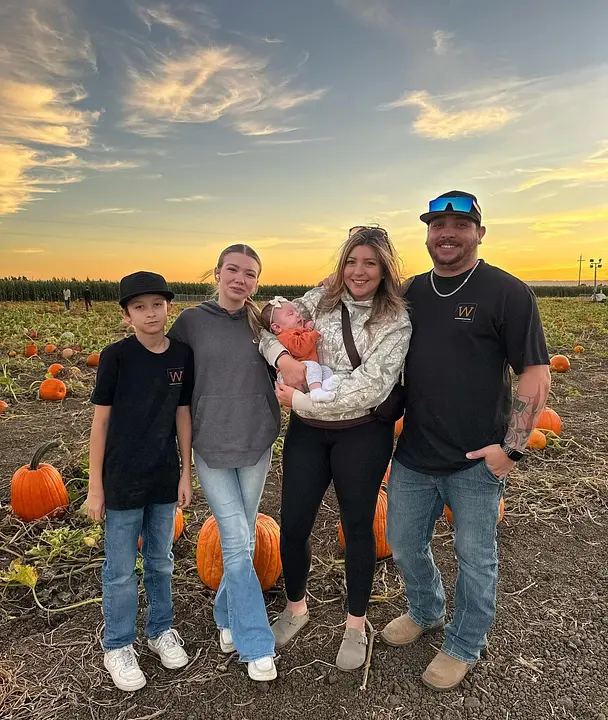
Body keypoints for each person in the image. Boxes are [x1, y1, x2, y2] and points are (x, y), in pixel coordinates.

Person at [381, 191, 551, 691]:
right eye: (438, 225)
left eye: (460, 224)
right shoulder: (410, 292)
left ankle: (464, 642)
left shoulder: (507, 292)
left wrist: (511, 448)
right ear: (428, 234)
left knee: (476, 559)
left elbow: (535, 373)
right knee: (404, 543)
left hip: (478, 458)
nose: (447, 234)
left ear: (480, 232)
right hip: (414, 453)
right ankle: (426, 610)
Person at [260, 227, 411, 672]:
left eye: (370, 263)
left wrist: (300, 397)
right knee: (293, 524)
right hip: (308, 432)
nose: (358, 271)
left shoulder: (396, 321)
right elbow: (267, 328)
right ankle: (296, 607)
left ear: (385, 269)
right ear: (341, 265)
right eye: (351, 261)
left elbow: (370, 387)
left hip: (361, 433)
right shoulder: (320, 300)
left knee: (359, 527)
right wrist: (282, 359)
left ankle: (355, 624)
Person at [167, 244, 281, 682]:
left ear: (257, 281)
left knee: (244, 538)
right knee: (235, 540)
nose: (240, 279)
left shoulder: (261, 322)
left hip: (256, 441)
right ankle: (257, 643)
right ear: (216, 273)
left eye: (250, 274)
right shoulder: (191, 322)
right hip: (210, 444)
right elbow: (170, 376)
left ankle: (226, 615)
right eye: (233, 270)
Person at [87, 271, 194, 692]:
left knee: (160, 560)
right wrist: (96, 487)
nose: (150, 313)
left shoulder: (181, 355)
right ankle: (117, 644)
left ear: (169, 308)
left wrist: (186, 472)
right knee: (119, 569)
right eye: (139, 307)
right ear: (126, 315)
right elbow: (100, 423)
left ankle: (160, 630)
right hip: (122, 478)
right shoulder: (116, 357)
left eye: (157, 305)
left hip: (163, 474)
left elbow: (182, 414)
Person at [260, 297, 340, 402]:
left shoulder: (294, 331)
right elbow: (299, 347)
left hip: (306, 368)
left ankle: (324, 385)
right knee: (314, 366)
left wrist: (307, 326)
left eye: (297, 311)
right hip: (296, 371)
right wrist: (313, 334)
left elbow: (302, 334)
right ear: (277, 327)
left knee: (325, 369)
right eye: (290, 314)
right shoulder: (285, 336)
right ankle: (316, 392)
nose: (298, 314)